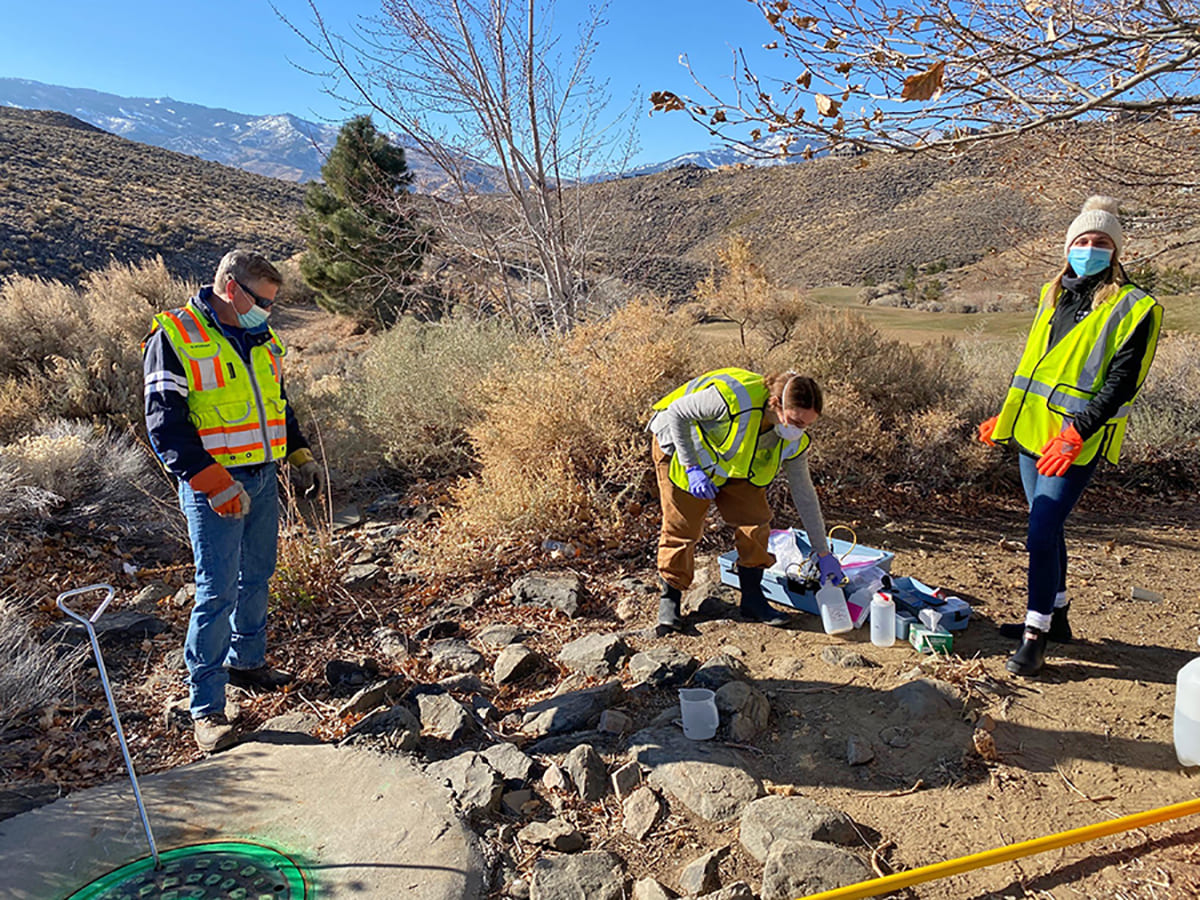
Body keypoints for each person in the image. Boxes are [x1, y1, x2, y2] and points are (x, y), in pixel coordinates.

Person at [143, 249, 321, 751]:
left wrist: (300, 453)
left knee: (258, 573)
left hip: (264, 478)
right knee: (216, 590)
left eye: (271, 303)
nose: (267, 312)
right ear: (229, 288)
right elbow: (165, 426)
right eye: (261, 301)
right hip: (214, 486)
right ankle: (206, 707)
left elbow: (277, 405)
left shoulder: (261, 338)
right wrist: (214, 484)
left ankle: (247, 663)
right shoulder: (175, 336)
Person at [978, 196, 1162, 676]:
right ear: (1068, 247)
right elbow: (1034, 366)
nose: (1090, 248)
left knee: (1040, 530)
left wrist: (1077, 432)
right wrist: (1006, 416)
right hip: (1031, 434)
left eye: (1101, 242)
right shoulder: (1053, 293)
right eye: (1082, 240)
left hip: (1073, 442)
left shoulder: (1136, 306)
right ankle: (1057, 617)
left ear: (1115, 251)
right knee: (1048, 528)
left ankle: (1034, 632)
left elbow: (1125, 383)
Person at [648, 368, 843, 633]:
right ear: (776, 404)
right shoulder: (733, 399)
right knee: (683, 527)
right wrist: (692, 467)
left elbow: (805, 495)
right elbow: (677, 413)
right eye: (796, 421)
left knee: (756, 520)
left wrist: (823, 553)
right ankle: (670, 599)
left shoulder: (792, 440)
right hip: (682, 446)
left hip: (733, 462)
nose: (801, 430)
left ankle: (752, 599)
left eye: (808, 424)